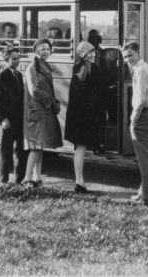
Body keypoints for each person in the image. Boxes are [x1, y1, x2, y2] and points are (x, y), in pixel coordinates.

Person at [121, 41, 148, 207]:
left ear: (138, 53)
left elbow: (139, 98)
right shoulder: (146, 67)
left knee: (144, 162)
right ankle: (141, 193)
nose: (127, 59)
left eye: (130, 55)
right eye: (124, 57)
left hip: (143, 116)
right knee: (147, 158)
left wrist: (133, 119)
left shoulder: (141, 70)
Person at [23, 38, 63, 188]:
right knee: (36, 146)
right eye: (42, 49)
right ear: (36, 50)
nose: (46, 51)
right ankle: (27, 178)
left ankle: (37, 177)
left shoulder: (44, 65)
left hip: (43, 110)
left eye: (48, 49)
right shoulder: (32, 66)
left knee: (40, 146)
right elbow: (34, 90)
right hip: (37, 110)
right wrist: (51, 100)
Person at [64, 41, 100, 193]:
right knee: (80, 147)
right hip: (80, 116)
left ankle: (80, 181)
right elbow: (80, 94)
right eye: (89, 53)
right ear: (83, 55)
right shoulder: (82, 68)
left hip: (84, 114)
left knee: (81, 147)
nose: (93, 54)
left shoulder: (88, 67)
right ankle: (79, 181)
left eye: (93, 52)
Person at [0, 45, 27, 186]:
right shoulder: (2, 77)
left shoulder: (18, 75)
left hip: (19, 119)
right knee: (5, 151)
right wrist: (3, 118)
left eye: (18, 58)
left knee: (20, 150)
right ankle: (2, 181)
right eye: (13, 59)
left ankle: (19, 180)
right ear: (6, 60)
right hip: (9, 119)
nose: (16, 61)